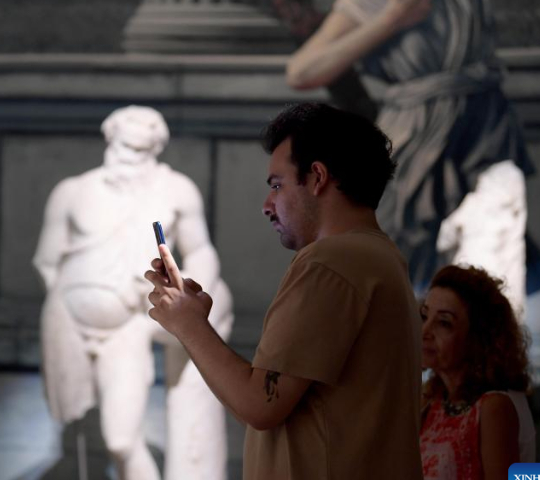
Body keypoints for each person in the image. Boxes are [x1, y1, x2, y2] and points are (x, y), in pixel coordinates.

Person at [145, 103, 423, 479]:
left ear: (318, 177)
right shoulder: (378, 255)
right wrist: (192, 319)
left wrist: (189, 325)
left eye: (277, 186)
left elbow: (260, 405)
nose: (266, 206)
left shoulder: (330, 262)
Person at [33, 105, 233, 480]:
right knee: (75, 422)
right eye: (124, 146)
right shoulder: (73, 192)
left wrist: (192, 295)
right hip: (69, 324)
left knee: (121, 440)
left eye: (140, 151)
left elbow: (201, 249)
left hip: (128, 327)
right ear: (110, 140)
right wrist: (74, 307)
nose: (129, 158)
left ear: (155, 149)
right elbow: (47, 261)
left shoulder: (176, 190)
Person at [285, 0, 534, 298]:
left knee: (491, 263)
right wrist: (393, 19)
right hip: (413, 138)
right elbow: (300, 72)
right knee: (395, 264)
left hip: (484, 135)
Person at [420, 264, 534, 479]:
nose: (425, 330)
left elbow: (529, 474)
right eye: (425, 316)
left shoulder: (496, 406)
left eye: (444, 323)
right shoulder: (433, 398)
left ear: (478, 339)